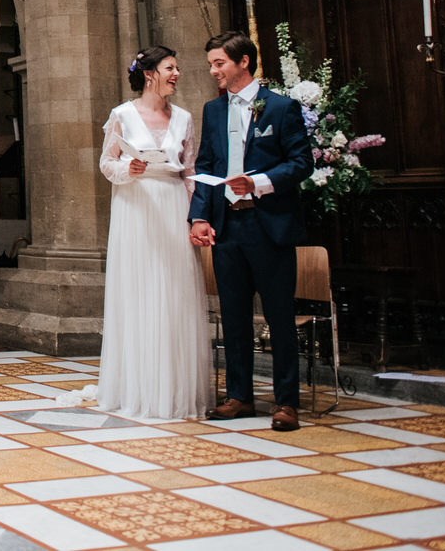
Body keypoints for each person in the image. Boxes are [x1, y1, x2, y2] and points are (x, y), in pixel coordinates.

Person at [191, 30, 313, 431]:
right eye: (211, 64)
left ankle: (286, 402)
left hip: (269, 225)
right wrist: (200, 217)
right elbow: (206, 167)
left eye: (219, 63)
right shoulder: (213, 111)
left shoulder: (280, 108)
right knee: (234, 317)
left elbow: (301, 163)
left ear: (244, 62)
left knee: (279, 318)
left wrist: (258, 183)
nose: (213, 71)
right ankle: (239, 396)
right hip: (228, 227)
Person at [89, 47, 210, 418]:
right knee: (139, 293)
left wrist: (196, 217)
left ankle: (175, 390)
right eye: (170, 68)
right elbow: (107, 163)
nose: (177, 74)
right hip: (136, 207)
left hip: (173, 206)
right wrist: (131, 169)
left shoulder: (185, 118)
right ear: (149, 74)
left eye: (177, 68)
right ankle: (138, 389)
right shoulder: (122, 115)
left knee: (175, 294)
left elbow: (190, 172)